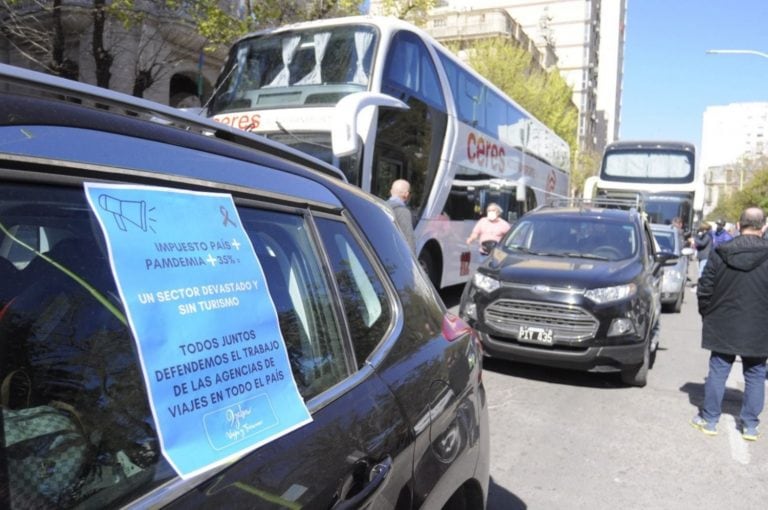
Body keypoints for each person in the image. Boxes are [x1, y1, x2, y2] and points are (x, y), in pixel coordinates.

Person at [692, 207, 768, 441]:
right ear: (763, 227)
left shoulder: (720, 252)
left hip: (723, 322)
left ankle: (710, 420)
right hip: (760, 325)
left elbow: (705, 288)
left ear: (738, 224)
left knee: (718, 369)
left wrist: (707, 314)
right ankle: (750, 426)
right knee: (756, 373)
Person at [387, 179, 415, 253]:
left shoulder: (381, 206)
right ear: (406, 194)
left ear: (391, 191)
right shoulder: (403, 212)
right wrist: (412, 262)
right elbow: (408, 239)